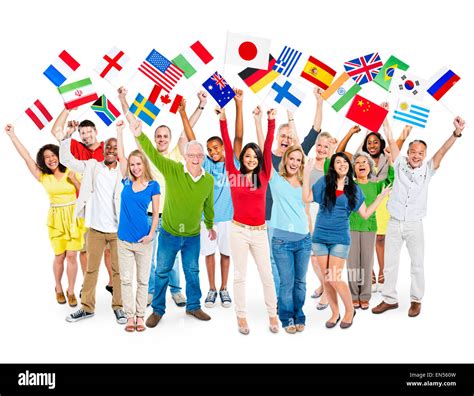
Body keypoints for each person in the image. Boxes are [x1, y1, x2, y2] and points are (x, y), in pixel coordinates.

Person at [118, 87, 204, 308]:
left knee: (172, 257)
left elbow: (188, 128)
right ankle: (151, 291)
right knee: (151, 257)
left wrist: (200, 105)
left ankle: (176, 291)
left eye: (166, 136)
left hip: (171, 217)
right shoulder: (148, 155)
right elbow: (133, 126)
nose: (162, 139)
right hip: (148, 217)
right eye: (159, 136)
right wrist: (123, 99)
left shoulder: (177, 153)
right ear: (155, 139)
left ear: (170, 139)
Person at [372, 115, 465, 318]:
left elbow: (442, 151)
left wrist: (456, 133)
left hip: (414, 223)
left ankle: (416, 300)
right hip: (394, 221)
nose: (416, 155)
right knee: (390, 262)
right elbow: (389, 139)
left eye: (420, 153)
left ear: (424, 155)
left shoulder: (428, 168)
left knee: (417, 263)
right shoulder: (399, 164)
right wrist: (385, 117)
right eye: (413, 152)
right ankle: (389, 299)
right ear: (408, 152)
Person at [130, 119, 215, 329]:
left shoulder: (208, 180)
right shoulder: (173, 170)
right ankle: (158, 310)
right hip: (169, 233)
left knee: (192, 271)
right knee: (162, 271)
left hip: (193, 236)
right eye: (191, 155)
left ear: (202, 157)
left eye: (198, 155)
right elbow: (150, 152)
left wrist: (211, 224)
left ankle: (193, 305)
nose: (195, 158)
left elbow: (208, 205)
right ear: (185, 157)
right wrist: (140, 134)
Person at [302, 153, 390, 329]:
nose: (342, 164)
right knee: (326, 280)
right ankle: (335, 313)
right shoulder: (325, 182)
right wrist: (306, 173)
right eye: (337, 162)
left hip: (340, 238)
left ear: (349, 166)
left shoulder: (353, 188)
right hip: (320, 236)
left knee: (334, 277)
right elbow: (307, 198)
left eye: (344, 162)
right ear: (333, 167)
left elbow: (365, 214)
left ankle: (350, 310)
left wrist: (380, 198)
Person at [4, 124, 85, 307]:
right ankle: (58, 287)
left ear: (59, 156)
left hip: (74, 217)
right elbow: (26, 158)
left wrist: (74, 181)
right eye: (46, 157)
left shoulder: (71, 171)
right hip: (56, 218)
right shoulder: (43, 176)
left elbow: (84, 192)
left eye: (53, 155)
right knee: (59, 257)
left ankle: (71, 290)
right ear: (43, 161)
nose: (50, 159)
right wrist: (12, 135)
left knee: (72, 256)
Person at [179, 89, 244, 309]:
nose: (212, 151)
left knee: (225, 253)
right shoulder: (205, 164)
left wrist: (238, 104)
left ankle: (225, 289)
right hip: (207, 219)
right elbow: (191, 138)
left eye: (216, 147)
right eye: (209, 149)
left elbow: (238, 137)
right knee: (208, 254)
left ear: (223, 147)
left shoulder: (233, 162)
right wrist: (182, 113)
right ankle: (212, 288)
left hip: (228, 218)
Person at [255, 87, 322, 297]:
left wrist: (319, 102)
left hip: (295, 217)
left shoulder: (297, 158)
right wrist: (258, 120)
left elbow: (315, 131)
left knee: (295, 257)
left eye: (290, 137)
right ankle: (278, 296)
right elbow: (261, 144)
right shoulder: (268, 158)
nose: (286, 139)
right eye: (282, 135)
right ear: (276, 137)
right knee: (274, 258)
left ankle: (291, 294)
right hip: (270, 216)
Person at [219, 106, 279, 335]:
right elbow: (226, 143)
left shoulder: (264, 175)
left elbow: (267, 144)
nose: (252, 159)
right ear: (242, 158)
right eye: (247, 156)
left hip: (259, 231)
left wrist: (269, 121)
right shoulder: (233, 175)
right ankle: (241, 316)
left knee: (266, 274)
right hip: (239, 231)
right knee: (240, 275)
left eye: (255, 156)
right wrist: (223, 121)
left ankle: (272, 314)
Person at [59, 130, 126, 325]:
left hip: (117, 231)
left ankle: (119, 307)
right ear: (103, 150)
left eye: (115, 148)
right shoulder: (92, 166)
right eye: (108, 147)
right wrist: (66, 139)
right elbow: (67, 160)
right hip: (95, 229)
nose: (111, 150)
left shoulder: (124, 171)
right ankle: (87, 307)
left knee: (118, 271)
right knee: (91, 270)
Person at [337, 122, 412, 292]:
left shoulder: (387, 156)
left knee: (380, 238)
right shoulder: (360, 159)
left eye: (375, 142)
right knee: (366, 238)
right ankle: (369, 272)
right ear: (365, 144)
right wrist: (351, 132)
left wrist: (408, 125)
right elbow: (340, 152)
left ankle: (382, 272)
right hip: (365, 202)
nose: (372, 145)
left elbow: (401, 138)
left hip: (384, 202)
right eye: (369, 142)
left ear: (381, 144)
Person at [51, 110, 114, 295]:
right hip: (86, 206)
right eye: (83, 133)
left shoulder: (107, 148)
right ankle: (87, 284)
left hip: (106, 206)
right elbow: (56, 131)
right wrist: (68, 108)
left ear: (95, 131)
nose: (86, 136)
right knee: (85, 250)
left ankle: (112, 283)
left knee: (110, 250)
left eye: (89, 132)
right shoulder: (77, 148)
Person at [116, 120, 160, 332]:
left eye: (138, 164)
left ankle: (141, 316)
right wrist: (119, 131)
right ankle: (130, 316)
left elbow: (156, 214)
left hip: (143, 240)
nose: (134, 167)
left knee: (142, 281)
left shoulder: (153, 185)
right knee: (126, 280)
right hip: (124, 240)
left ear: (144, 165)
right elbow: (121, 156)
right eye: (132, 164)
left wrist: (151, 234)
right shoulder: (125, 180)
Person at [269, 145, 312, 334]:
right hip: (282, 242)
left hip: (303, 239)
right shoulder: (275, 180)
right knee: (287, 282)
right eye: (291, 158)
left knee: (300, 282)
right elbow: (264, 148)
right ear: (285, 160)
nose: (294, 162)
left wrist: (308, 173)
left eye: (298, 159)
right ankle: (287, 317)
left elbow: (307, 205)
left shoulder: (304, 182)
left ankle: (299, 313)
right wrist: (260, 122)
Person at [348, 151, 393, 310]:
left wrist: (389, 160)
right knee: (353, 264)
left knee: (367, 262)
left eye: (365, 162)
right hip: (351, 227)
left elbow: (391, 180)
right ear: (354, 168)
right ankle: (354, 295)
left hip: (369, 228)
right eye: (358, 163)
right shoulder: (350, 184)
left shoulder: (376, 185)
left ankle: (365, 296)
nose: (361, 165)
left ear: (370, 167)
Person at [307, 129, 340, 310]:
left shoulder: (330, 166)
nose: (320, 149)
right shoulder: (309, 163)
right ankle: (323, 284)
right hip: (308, 212)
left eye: (325, 147)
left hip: (325, 213)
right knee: (313, 257)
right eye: (319, 145)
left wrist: (333, 150)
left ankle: (328, 292)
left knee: (323, 256)